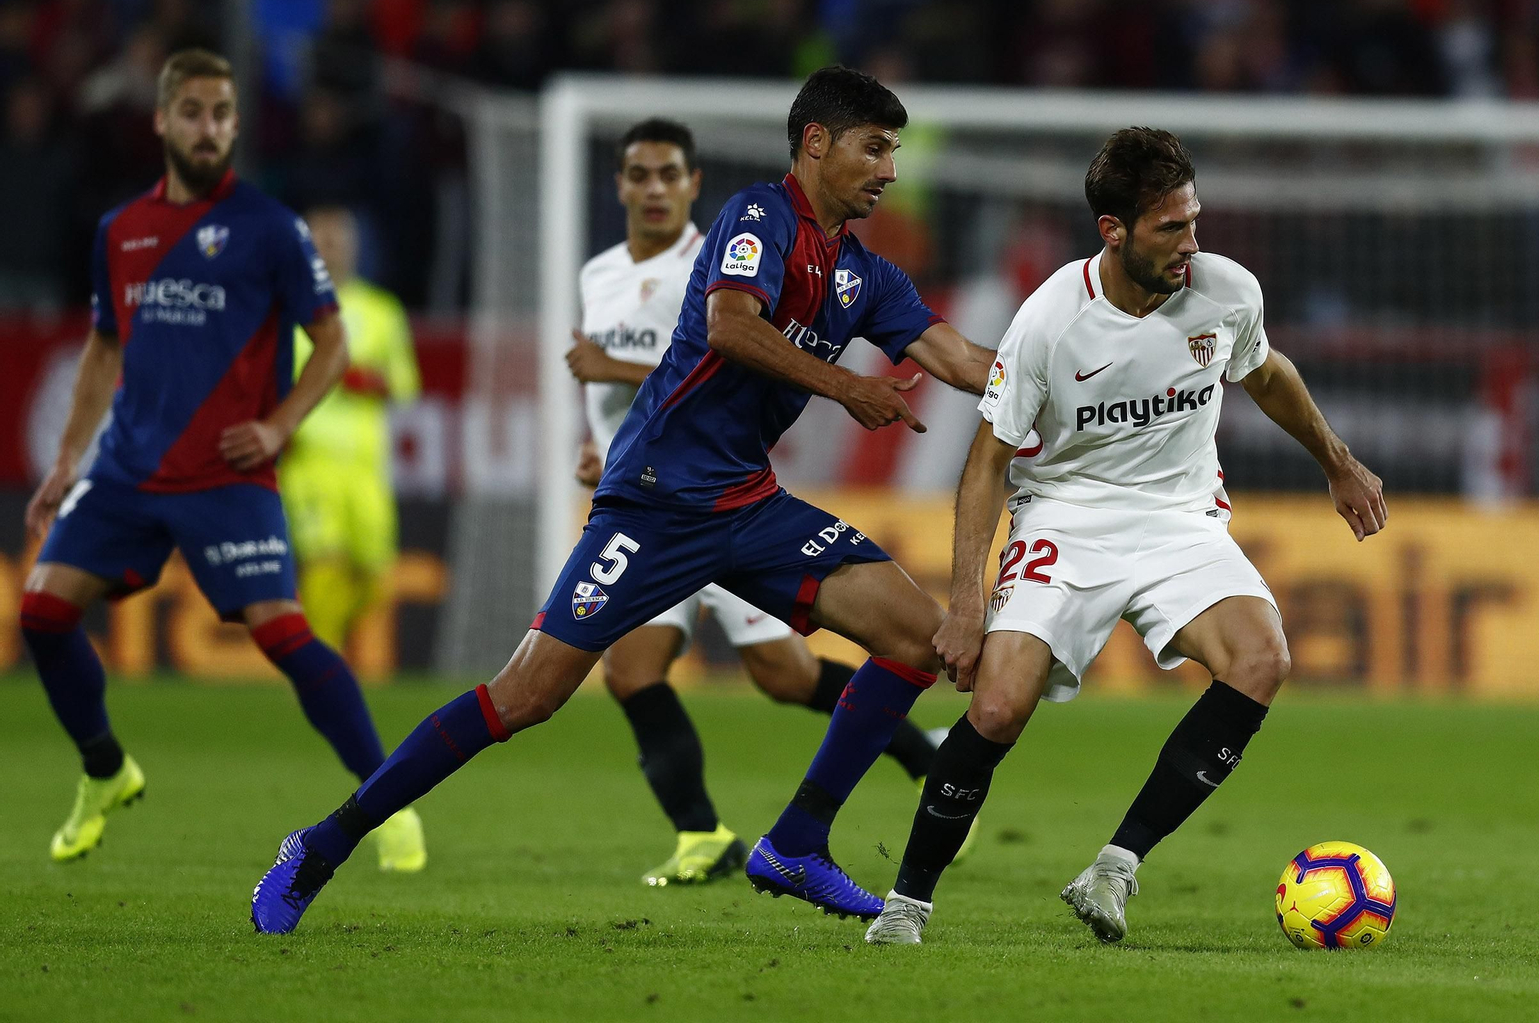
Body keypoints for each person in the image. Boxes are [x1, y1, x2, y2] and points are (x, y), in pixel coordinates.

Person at [250, 65, 995, 934]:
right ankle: (321, 845)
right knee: (525, 697)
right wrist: (844, 386)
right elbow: (729, 324)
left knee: (915, 638)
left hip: (749, 505)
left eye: (895, 152)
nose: (890, 171)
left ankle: (795, 843)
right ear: (816, 143)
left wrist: (1073, 380)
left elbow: (966, 362)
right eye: (875, 148)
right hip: (653, 501)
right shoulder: (759, 217)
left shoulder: (865, 274)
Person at [863, 127, 1388, 946]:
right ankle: (905, 906)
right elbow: (985, 463)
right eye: (1170, 229)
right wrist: (964, 605)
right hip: (1065, 515)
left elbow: (1267, 371)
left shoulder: (1226, 291)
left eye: (1194, 221)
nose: (1192, 244)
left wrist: (1339, 462)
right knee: (999, 706)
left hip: (1179, 515)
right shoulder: (1047, 323)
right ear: (1114, 232)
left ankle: (1115, 866)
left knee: (1263, 660)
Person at [19, 49, 425, 873]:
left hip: (228, 474)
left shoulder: (270, 229)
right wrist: (67, 459)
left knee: (281, 633)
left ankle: (386, 800)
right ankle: (105, 769)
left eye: (224, 114)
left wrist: (277, 428)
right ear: (163, 120)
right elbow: (103, 349)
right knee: (41, 614)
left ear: (237, 125)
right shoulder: (121, 231)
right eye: (195, 112)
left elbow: (334, 344)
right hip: (128, 467)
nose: (211, 129)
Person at [567, 117, 945, 888]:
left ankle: (920, 758)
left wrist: (607, 365)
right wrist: (600, 446)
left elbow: (710, 351)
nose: (653, 189)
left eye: (668, 173)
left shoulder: (732, 248)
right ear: (620, 186)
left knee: (784, 675)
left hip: (727, 497)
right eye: (638, 175)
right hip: (646, 499)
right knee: (632, 673)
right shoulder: (597, 273)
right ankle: (701, 833)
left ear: (691, 184)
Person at [278, 205, 420, 656]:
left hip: (365, 467)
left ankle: (317, 654)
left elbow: (404, 385)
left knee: (374, 577)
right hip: (310, 462)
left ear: (355, 247)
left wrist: (365, 380)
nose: (329, 248)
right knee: (323, 563)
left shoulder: (381, 311)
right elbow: (265, 382)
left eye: (337, 239)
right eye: (320, 240)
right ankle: (322, 665)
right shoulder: (284, 311)